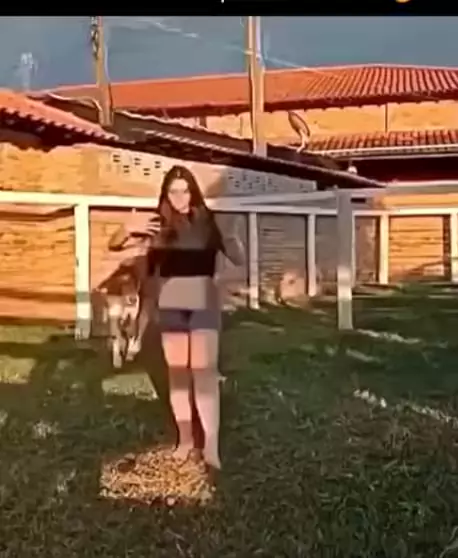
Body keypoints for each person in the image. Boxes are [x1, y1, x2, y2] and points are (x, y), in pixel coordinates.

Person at [109, 165, 245, 470]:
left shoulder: (209, 222)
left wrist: (233, 237)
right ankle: (185, 441)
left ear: (193, 192)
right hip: (171, 307)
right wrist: (126, 228)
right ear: (166, 194)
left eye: (185, 191)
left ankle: (210, 446)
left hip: (203, 305)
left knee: (204, 373)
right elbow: (114, 244)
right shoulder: (156, 224)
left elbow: (238, 258)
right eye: (174, 191)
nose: (180, 197)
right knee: (179, 375)